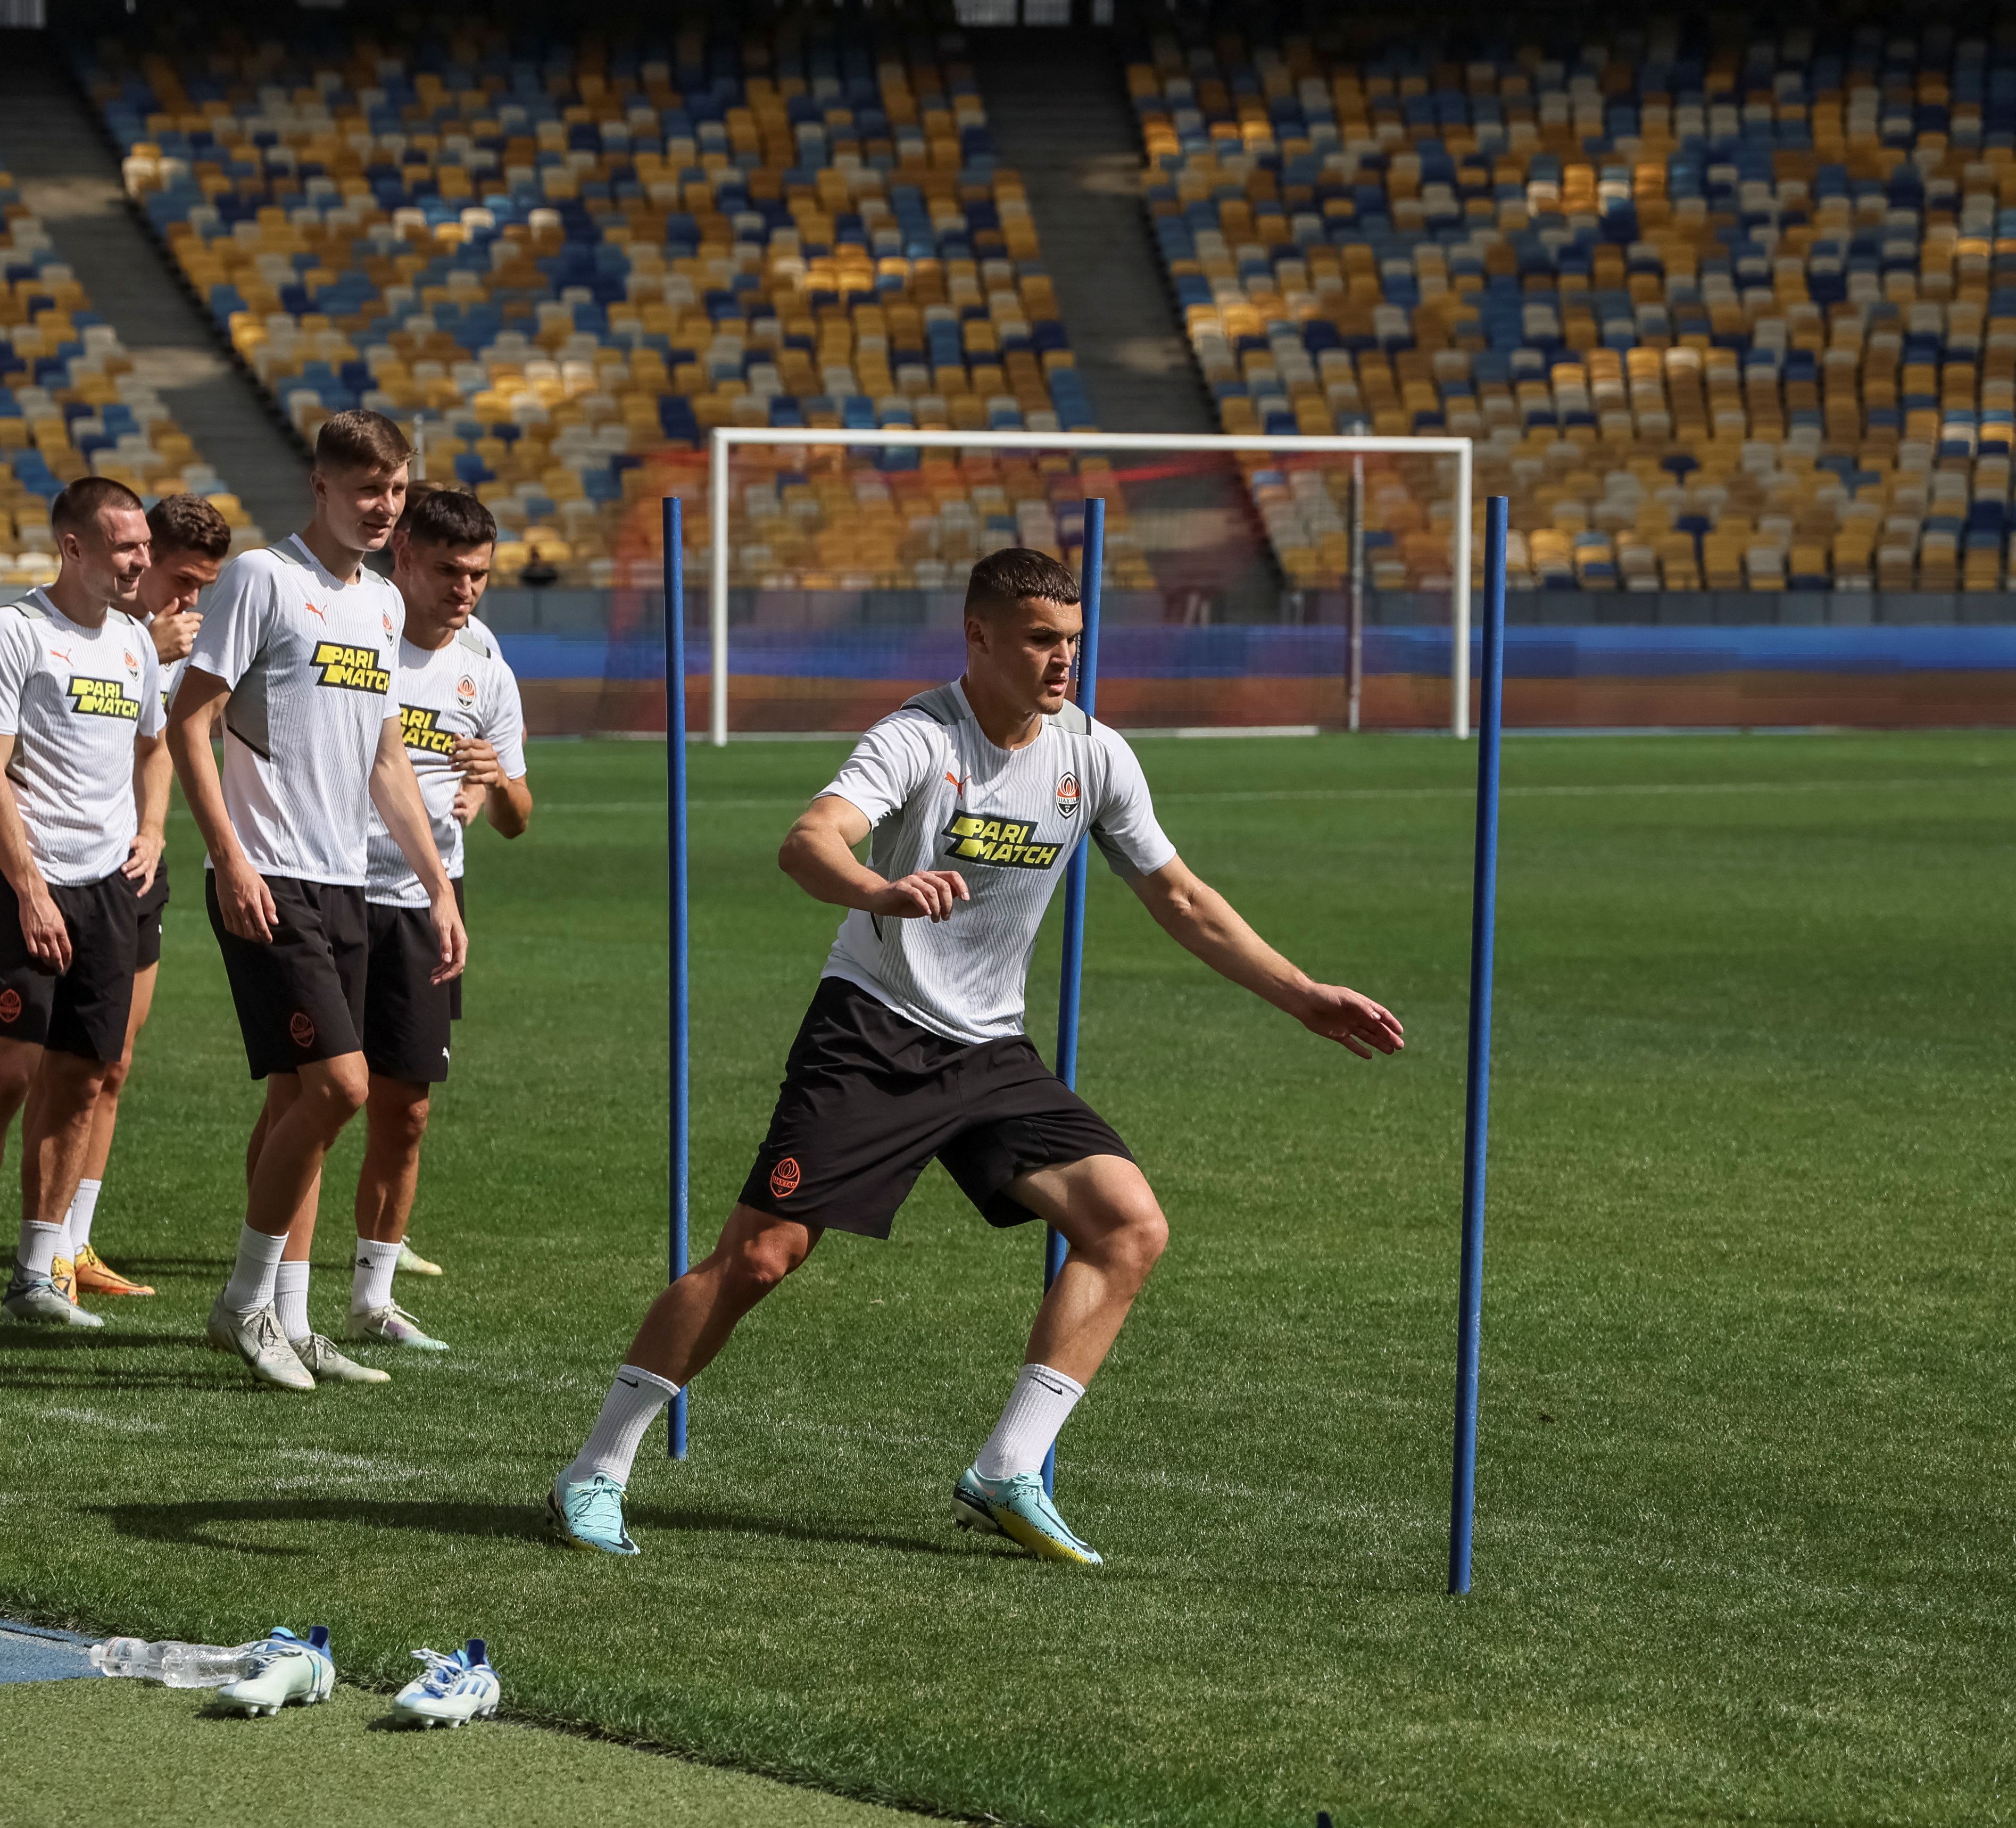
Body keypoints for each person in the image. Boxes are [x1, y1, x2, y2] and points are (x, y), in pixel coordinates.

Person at [545, 547, 1406, 1564]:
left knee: (1127, 1226)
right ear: (979, 636)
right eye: (1041, 639)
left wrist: (1301, 994)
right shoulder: (917, 736)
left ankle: (1007, 1470)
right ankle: (593, 1472)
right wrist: (877, 889)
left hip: (989, 1048)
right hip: (871, 1030)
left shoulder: (1094, 755)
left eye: (1074, 643)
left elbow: (1178, 896)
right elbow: (808, 839)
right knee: (760, 1257)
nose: (1061, 663)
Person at [168, 409, 464, 1391]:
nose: (383, 508)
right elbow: (191, 720)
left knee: (307, 1101)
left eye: (395, 490)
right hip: (271, 874)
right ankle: (244, 1304)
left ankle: (291, 1321)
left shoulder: (381, 605)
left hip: (349, 881)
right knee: (341, 1086)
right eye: (367, 489)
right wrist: (229, 855)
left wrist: (433, 885)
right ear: (323, 487)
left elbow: (386, 758)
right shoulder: (263, 577)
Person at [0, 477, 166, 1337]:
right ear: (74, 547)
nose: (142, 561)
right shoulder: (12, 634)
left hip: (109, 890)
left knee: (85, 1078)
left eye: (144, 547)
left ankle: (35, 1270)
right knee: (7, 1076)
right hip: (28, 886)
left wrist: (153, 828)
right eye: (127, 547)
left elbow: (154, 745)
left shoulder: (134, 642)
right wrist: (28, 888)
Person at [298, 485, 531, 1355]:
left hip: (426, 903)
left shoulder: (487, 665)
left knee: (406, 1110)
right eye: (447, 570)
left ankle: (371, 1298)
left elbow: (517, 815)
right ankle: (274, 1293)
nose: (465, 589)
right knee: (309, 1096)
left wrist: (494, 779)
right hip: (328, 884)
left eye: (478, 574)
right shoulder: (356, 634)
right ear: (402, 557)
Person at [46, 491, 235, 1302]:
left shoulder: (179, 638)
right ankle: (42, 1246)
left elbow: (161, 744)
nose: (190, 600)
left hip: (135, 866)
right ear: (138, 556)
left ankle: (75, 1241)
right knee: (62, 1069)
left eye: (204, 587)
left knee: (114, 1063)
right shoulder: (84, 629)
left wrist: (156, 829)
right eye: (182, 579)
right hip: (61, 870)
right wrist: (150, 652)